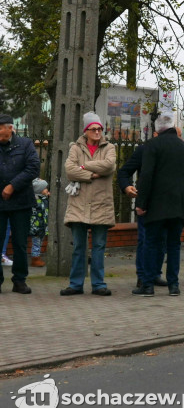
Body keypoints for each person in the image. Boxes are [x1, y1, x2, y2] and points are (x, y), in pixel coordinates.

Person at [134, 113, 184, 297]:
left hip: (156, 205)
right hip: (179, 205)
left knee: (151, 243)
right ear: (172, 127)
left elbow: (146, 176)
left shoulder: (152, 146)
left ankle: (147, 285)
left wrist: (141, 203)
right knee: (174, 245)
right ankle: (174, 285)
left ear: (157, 130)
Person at [60, 112, 117, 296]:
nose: (98, 132)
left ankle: (98, 284)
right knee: (78, 247)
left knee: (99, 247)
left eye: (100, 129)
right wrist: (91, 174)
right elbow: (69, 171)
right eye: (94, 129)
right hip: (79, 204)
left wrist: (83, 167)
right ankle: (75, 284)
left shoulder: (110, 147)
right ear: (86, 131)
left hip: (102, 204)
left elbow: (109, 166)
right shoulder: (75, 148)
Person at [117, 126, 168, 288]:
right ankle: (143, 275)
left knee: (162, 241)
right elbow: (124, 172)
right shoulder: (143, 150)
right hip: (146, 202)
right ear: (155, 135)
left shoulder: (177, 152)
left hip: (167, 204)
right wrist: (126, 187)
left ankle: (155, 274)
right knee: (145, 240)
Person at [0, 114, 40, 294]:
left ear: (10, 128)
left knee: (20, 243)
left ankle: (19, 280)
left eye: (1, 127)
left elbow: (33, 167)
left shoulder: (25, 144)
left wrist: (12, 186)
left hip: (21, 201)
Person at [29, 179, 49, 267]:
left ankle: (37, 257)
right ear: (39, 190)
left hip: (42, 225)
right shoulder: (36, 201)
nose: (47, 190)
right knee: (36, 243)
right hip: (37, 226)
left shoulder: (42, 198)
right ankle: (35, 259)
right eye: (45, 188)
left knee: (39, 242)